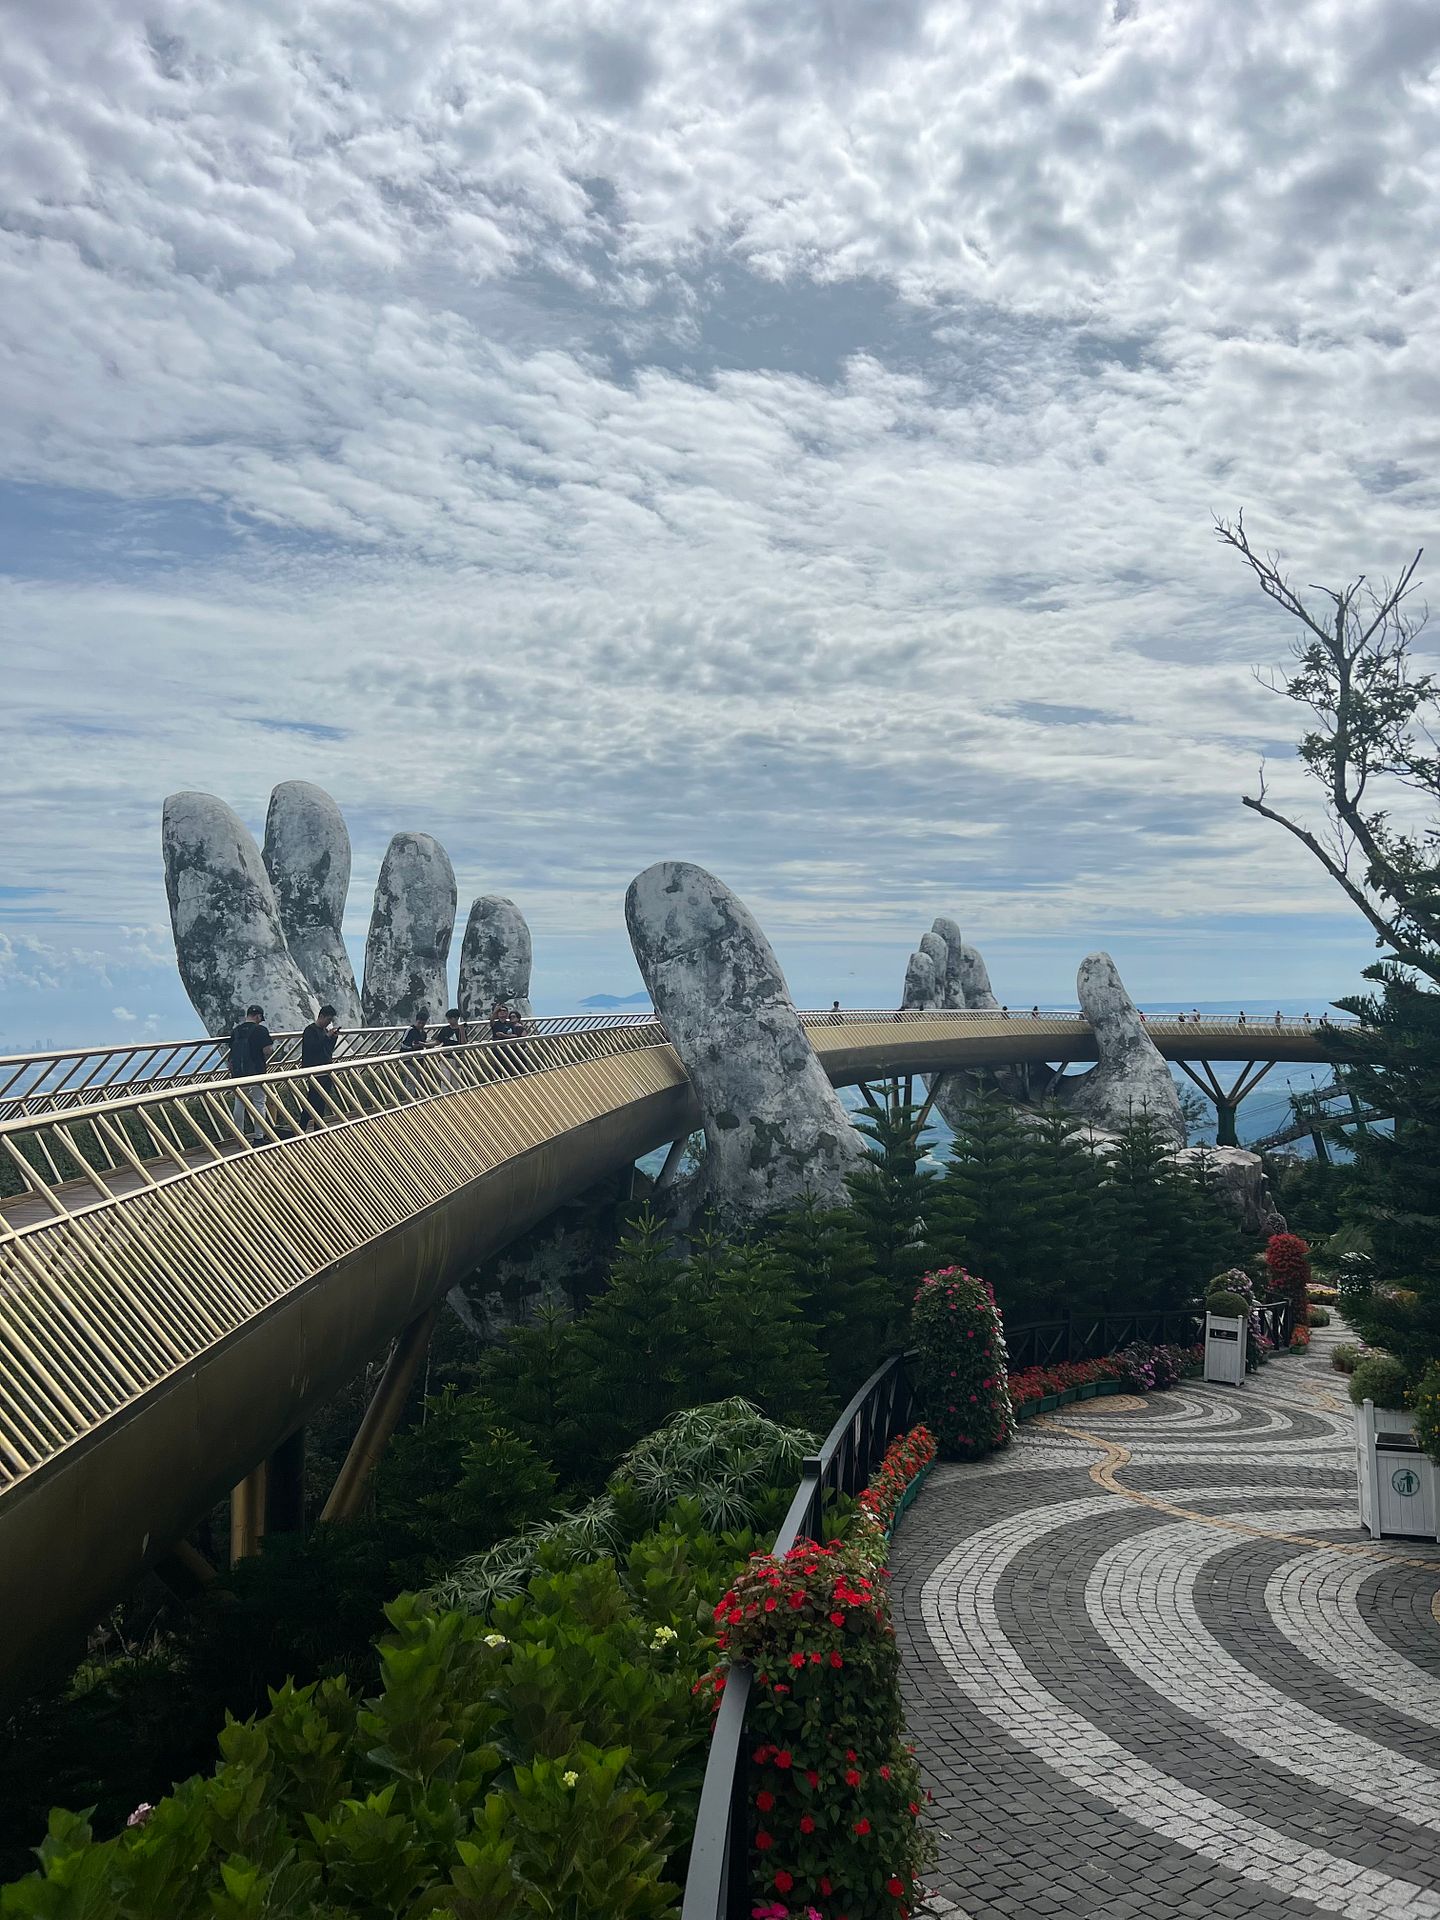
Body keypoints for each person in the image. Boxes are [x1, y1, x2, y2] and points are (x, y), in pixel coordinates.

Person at [228, 1003, 273, 1143]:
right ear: (258, 1016)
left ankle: (240, 1137)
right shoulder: (261, 1030)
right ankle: (259, 1137)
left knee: (239, 1102)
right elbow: (268, 1050)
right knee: (259, 1102)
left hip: (238, 1072)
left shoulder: (236, 1031)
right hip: (256, 1071)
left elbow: (232, 1052)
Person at [300, 1004, 339, 1128]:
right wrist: (326, 1037)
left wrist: (332, 1038)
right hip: (314, 1069)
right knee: (313, 1099)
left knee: (321, 1101)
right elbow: (312, 1047)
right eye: (328, 1020)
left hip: (325, 1069)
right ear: (321, 1016)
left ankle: (317, 1127)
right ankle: (302, 1126)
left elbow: (327, 1050)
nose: (328, 1023)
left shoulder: (324, 1031)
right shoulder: (309, 1030)